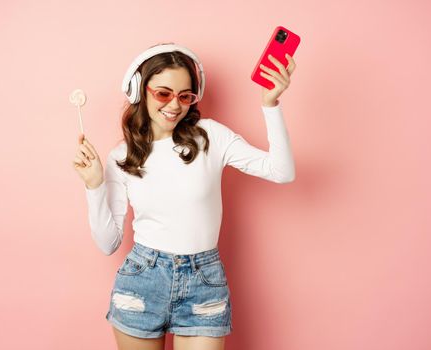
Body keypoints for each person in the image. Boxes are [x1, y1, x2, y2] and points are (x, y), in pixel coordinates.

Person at [73, 42, 296, 350]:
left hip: (204, 282)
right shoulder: (121, 156)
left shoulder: (211, 136)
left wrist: (271, 104)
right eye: (163, 93)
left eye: (185, 96)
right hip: (142, 280)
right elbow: (107, 243)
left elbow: (281, 171)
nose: (174, 105)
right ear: (140, 90)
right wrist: (95, 185)